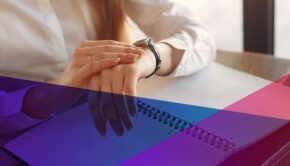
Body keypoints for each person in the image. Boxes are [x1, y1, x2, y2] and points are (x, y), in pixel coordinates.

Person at [0, 0, 216, 152]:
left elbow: (201, 39)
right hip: (18, 143)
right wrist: (43, 97)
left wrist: (149, 58)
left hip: (109, 133)